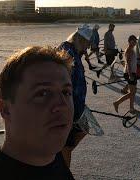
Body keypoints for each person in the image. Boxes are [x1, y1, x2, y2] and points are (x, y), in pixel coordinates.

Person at [0, 46, 75, 179]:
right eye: (43, 93)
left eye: (66, 92)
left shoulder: (56, 162)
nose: (63, 105)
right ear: (6, 110)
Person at [58, 24, 92, 168]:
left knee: (85, 128)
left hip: (77, 107)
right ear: (79, 39)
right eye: (86, 45)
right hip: (67, 109)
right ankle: (62, 173)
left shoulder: (75, 52)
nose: (87, 49)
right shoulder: (66, 52)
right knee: (66, 146)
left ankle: (57, 161)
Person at [113, 35, 139, 114]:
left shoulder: (132, 49)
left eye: (135, 41)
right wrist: (130, 74)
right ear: (130, 41)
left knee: (133, 91)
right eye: (133, 41)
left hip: (132, 72)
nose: (135, 42)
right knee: (132, 92)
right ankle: (117, 103)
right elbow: (127, 63)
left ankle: (131, 108)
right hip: (129, 73)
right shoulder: (129, 50)